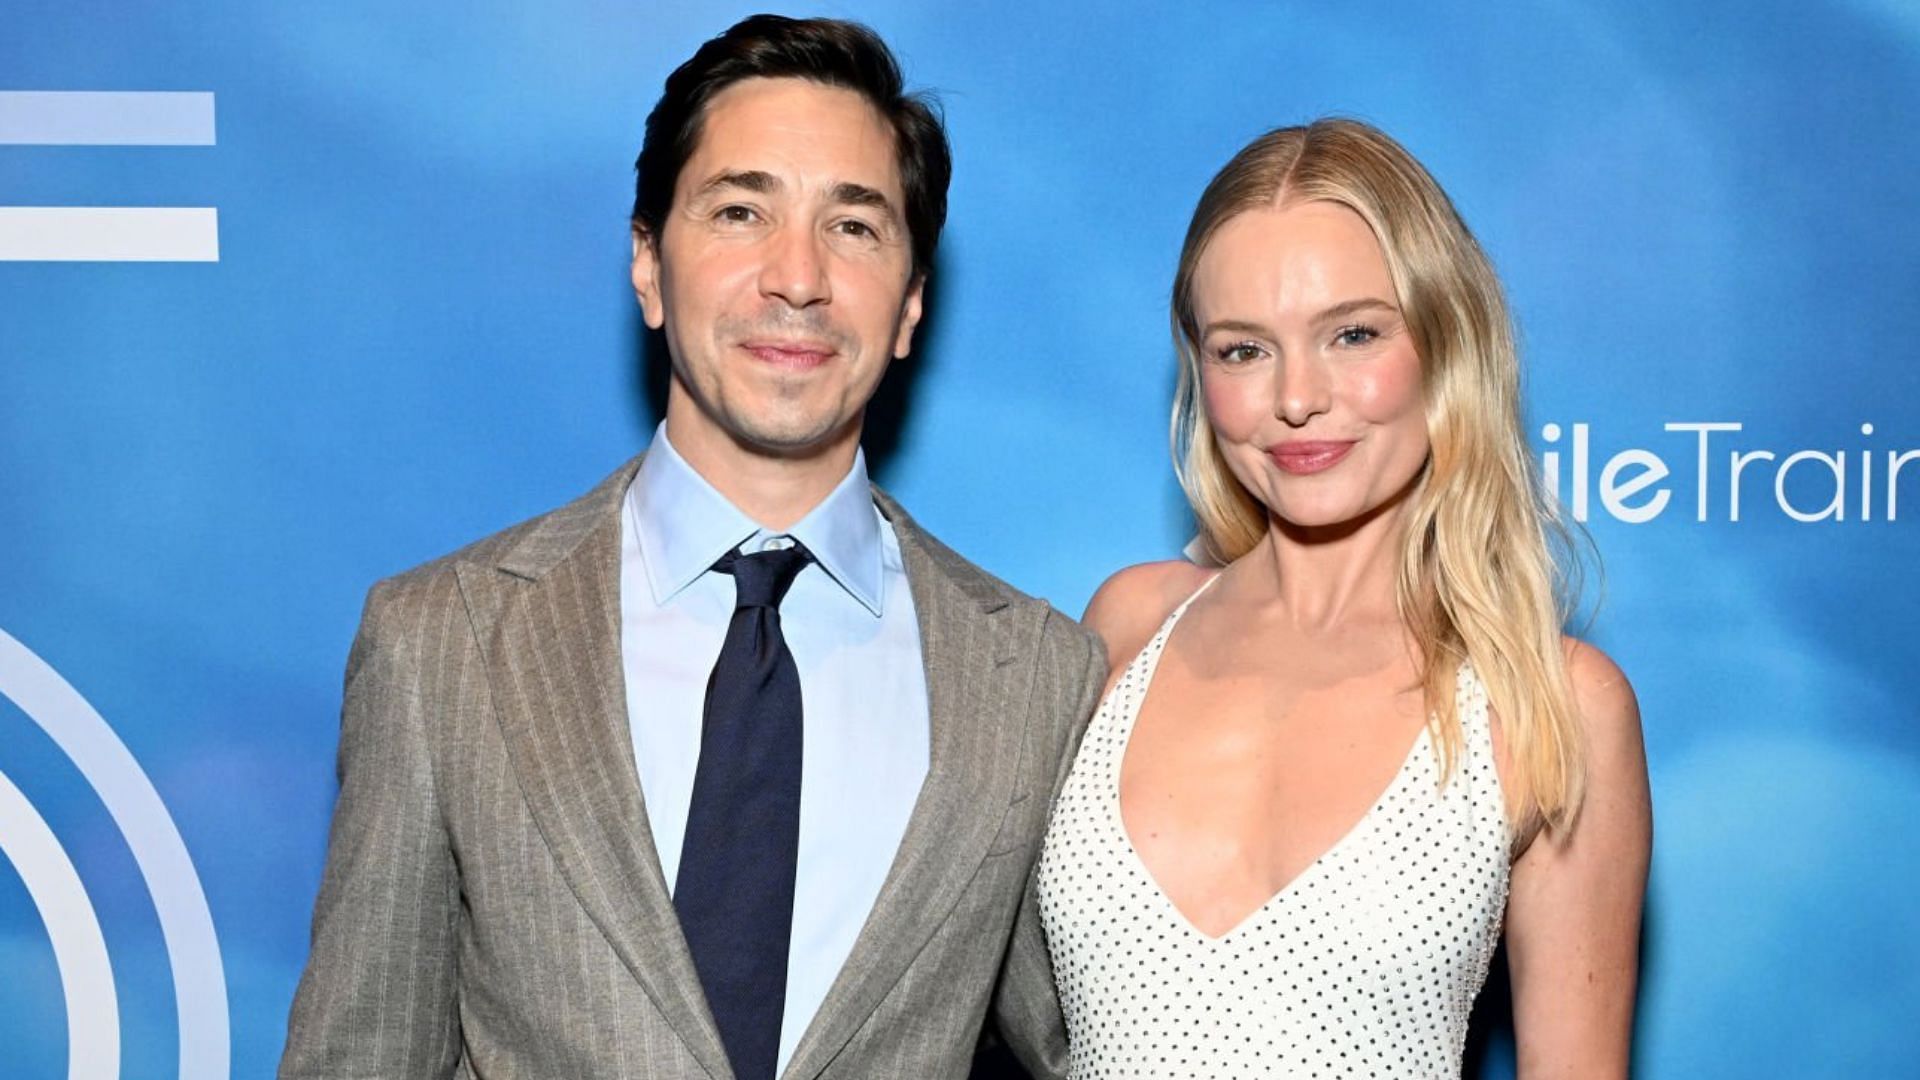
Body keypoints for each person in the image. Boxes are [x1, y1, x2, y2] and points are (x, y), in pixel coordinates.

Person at [280, 15, 1100, 1080]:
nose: (795, 277)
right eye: (740, 211)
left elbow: (1102, 1042)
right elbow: (361, 1056)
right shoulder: (442, 643)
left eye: (853, 228)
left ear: (911, 305)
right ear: (648, 266)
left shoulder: (1034, 677)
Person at [1035, 118, 1652, 1078]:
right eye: (1243, 350)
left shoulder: (1552, 701)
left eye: (1352, 334)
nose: (1296, 398)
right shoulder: (1127, 625)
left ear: (1447, 342)